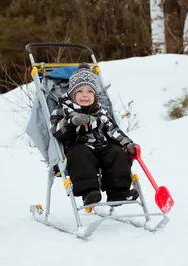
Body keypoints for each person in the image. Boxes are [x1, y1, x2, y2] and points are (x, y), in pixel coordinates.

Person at [50, 63, 140, 206]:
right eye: (79, 91)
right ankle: (89, 192)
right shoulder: (63, 109)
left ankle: (118, 192)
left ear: (95, 95)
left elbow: (113, 130)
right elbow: (56, 131)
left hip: (101, 149)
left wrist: (127, 143)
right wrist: (71, 122)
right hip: (78, 149)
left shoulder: (100, 111)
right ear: (72, 93)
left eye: (90, 91)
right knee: (80, 153)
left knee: (117, 152)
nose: (85, 95)